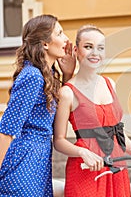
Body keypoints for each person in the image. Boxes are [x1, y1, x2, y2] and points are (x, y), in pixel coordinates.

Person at [53, 24, 131, 197]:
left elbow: (119, 134)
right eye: (88, 47)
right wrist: (83, 152)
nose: (95, 53)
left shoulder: (109, 84)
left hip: (117, 170)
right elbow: (59, 141)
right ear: (76, 50)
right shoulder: (67, 92)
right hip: (86, 169)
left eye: (100, 48)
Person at [0, 14, 76, 196]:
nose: (66, 39)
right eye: (60, 33)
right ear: (45, 43)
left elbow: (58, 116)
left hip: (38, 163)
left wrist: (67, 76)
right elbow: (7, 130)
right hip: (23, 164)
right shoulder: (32, 76)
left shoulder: (46, 75)